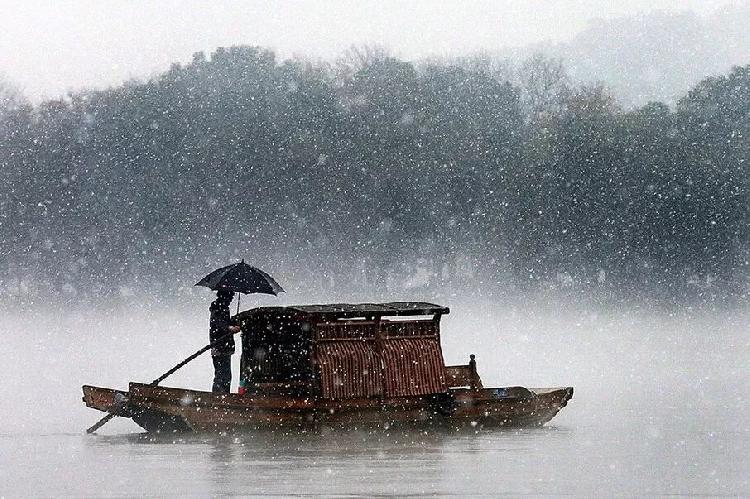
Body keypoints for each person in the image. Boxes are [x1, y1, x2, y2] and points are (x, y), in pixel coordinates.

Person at [209, 289, 241, 393]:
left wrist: (233, 321)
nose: (231, 300)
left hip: (223, 346)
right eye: (230, 297)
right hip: (220, 346)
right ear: (224, 296)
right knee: (222, 374)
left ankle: (222, 396)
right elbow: (219, 323)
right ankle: (219, 397)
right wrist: (229, 328)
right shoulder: (218, 308)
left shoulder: (222, 308)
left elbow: (222, 323)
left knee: (224, 374)